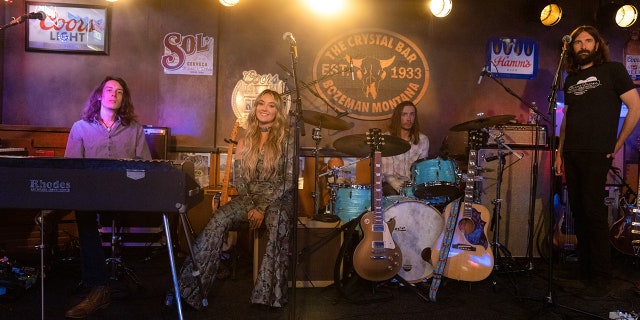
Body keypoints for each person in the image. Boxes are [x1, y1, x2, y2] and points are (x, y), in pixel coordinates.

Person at [178, 89, 295, 309]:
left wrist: (261, 207)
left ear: (278, 111)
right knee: (218, 220)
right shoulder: (245, 140)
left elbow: (288, 180)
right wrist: (252, 206)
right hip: (249, 197)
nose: (265, 108)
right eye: (261, 103)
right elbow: (240, 181)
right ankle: (189, 289)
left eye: (271, 105)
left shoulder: (287, 140)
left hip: (278, 198)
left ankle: (268, 296)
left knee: (277, 219)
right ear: (255, 107)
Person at [555, 25, 640, 299]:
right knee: (577, 212)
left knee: (592, 212)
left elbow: (635, 107)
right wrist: (559, 151)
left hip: (596, 152)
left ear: (597, 44)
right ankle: (585, 271)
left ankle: (601, 278)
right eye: (578, 42)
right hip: (572, 153)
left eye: (588, 40)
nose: (582, 45)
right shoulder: (570, 79)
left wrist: (617, 144)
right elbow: (567, 119)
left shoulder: (613, 70)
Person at [63, 76, 152, 318]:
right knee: (83, 212)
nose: (114, 94)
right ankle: (99, 286)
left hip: (123, 195)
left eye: (119, 91)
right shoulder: (80, 127)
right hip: (90, 195)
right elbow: (72, 168)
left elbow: (144, 168)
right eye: (109, 89)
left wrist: (127, 182)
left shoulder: (135, 130)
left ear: (123, 99)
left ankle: (98, 284)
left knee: (90, 211)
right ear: (100, 95)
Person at [381, 100, 429, 196]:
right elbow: (388, 175)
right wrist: (403, 191)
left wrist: (414, 189)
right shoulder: (386, 139)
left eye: (412, 114)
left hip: (413, 186)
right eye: (404, 114)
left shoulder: (423, 140)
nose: (409, 118)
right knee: (389, 192)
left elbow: (421, 171)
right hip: (391, 185)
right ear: (397, 117)